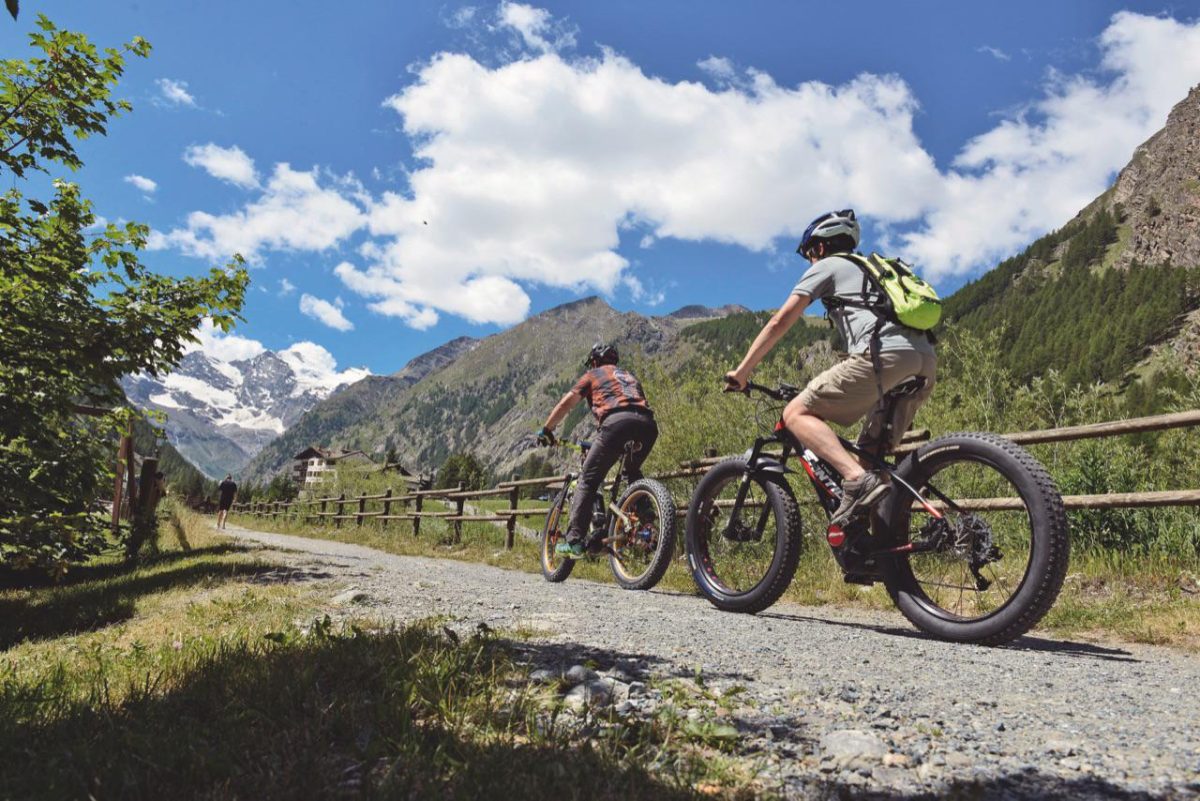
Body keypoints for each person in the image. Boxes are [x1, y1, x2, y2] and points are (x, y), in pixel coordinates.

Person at [724, 208, 937, 528]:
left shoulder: (828, 265)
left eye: (809, 253)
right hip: (924, 361)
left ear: (820, 247)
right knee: (870, 459)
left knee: (795, 414)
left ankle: (855, 479)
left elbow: (780, 321)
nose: (810, 260)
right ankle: (881, 551)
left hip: (884, 355)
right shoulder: (871, 270)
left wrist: (742, 372)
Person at [537, 343, 658, 558]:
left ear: (594, 361)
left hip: (616, 424)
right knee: (632, 471)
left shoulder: (593, 375)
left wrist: (547, 429)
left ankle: (574, 542)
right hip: (648, 425)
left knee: (588, 481)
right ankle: (647, 516)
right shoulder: (629, 376)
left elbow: (566, 404)